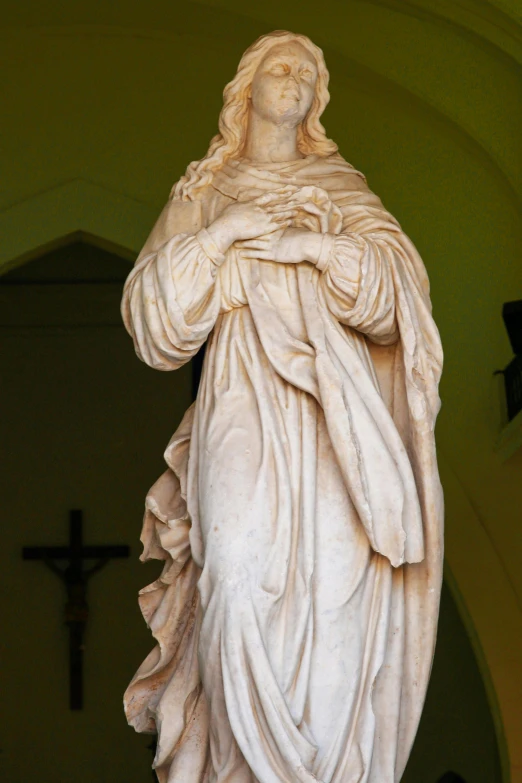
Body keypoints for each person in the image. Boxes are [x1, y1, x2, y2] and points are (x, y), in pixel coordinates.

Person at [121, 30, 444, 783]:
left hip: (335, 419)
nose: (296, 77)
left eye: (309, 71)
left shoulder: (341, 189)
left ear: (316, 101)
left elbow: (401, 301)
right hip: (241, 396)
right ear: (247, 90)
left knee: (335, 592)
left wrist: (321, 249)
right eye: (280, 66)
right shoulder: (205, 191)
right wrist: (224, 236)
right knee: (231, 572)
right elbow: (152, 320)